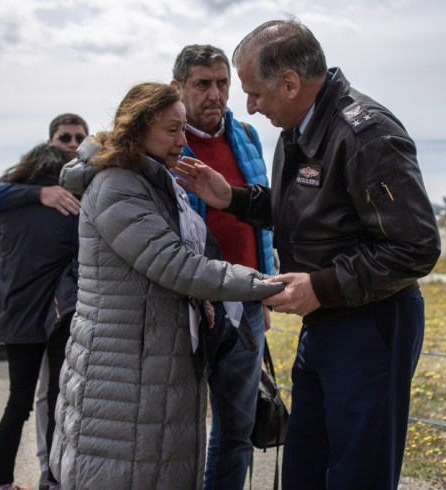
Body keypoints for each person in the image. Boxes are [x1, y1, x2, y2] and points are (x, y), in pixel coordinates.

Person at [176, 19, 441, 490]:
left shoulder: (366, 134)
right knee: (306, 466)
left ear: (291, 83)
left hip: (370, 323)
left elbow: (415, 247)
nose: (250, 108)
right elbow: (301, 211)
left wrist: (320, 286)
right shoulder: (301, 129)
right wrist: (234, 198)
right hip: (328, 319)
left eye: (254, 93)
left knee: (356, 471)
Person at [50, 82, 284, 489]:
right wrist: (266, 284)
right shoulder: (117, 186)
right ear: (139, 129)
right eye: (172, 130)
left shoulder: (150, 181)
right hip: (124, 371)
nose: (182, 140)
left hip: (149, 361)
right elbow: (177, 266)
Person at [169, 44, 274, 489]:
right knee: (174, 430)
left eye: (222, 83)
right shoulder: (162, 140)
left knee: (236, 430)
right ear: (178, 88)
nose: (215, 94)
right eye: (202, 84)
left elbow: (263, 222)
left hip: (246, 304)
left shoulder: (247, 136)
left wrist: (264, 289)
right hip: (183, 308)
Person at [0, 113, 87, 490]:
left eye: (77, 138)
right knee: (57, 401)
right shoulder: (72, 202)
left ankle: (1, 482)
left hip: (20, 311)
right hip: (59, 312)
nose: (71, 144)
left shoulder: (10, 201)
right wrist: (42, 194)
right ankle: (53, 481)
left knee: (18, 401)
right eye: (64, 138)